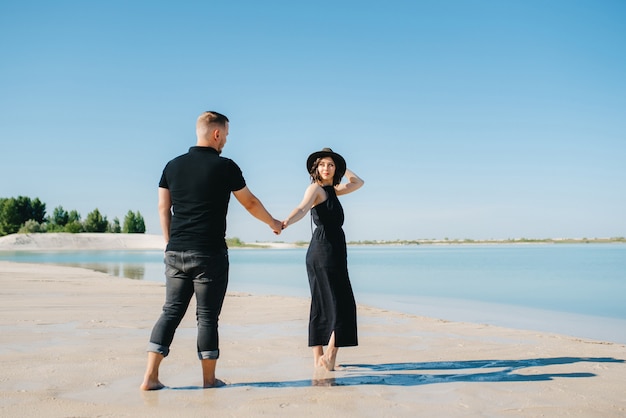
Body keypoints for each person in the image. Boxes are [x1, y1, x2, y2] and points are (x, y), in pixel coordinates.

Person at [140, 111, 283, 390]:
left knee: (170, 311)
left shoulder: (171, 166)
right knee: (206, 317)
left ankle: (150, 377)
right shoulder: (226, 167)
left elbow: (162, 207)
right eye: (226, 135)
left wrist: (170, 244)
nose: (226, 141)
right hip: (209, 253)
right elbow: (250, 202)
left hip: (176, 251)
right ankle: (208, 380)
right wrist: (273, 223)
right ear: (216, 133)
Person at [282, 148, 364, 371]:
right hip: (324, 249)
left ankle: (320, 357)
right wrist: (287, 221)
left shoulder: (333, 190)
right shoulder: (315, 189)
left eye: (331, 165)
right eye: (322, 165)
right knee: (341, 303)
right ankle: (328, 356)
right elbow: (302, 207)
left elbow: (358, 182)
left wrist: (342, 166)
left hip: (332, 248)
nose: (326, 169)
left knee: (324, 302)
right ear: (315, 168)